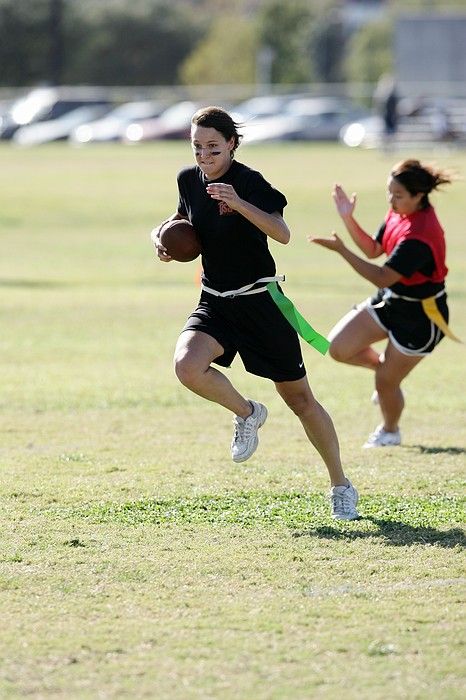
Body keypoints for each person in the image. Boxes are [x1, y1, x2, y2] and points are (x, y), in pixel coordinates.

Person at [151, 105, 359, 520]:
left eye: (213, 147)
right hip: (215, 300)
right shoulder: (188, 180)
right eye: (198, 147)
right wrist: (160, 240)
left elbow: (282, 234)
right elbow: (179, 222)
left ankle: (341, 484)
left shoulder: (250, 182)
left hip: (261, 302)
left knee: (300, 400)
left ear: (231, 144)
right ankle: (247, 413)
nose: (205, 156)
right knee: (187, 366)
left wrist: (239, 202)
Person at [309, 159, 456, 448]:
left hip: (421, 316)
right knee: (338, 348)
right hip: (391, 302)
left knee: (386, 384)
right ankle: (386, 372)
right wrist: (347, 217)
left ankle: (390, 431)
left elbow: (381, 277)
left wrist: (341, 251)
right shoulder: (400, 212)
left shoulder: (420, 235)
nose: (391, 200)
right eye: (390, 192)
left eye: (398, 195)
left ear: (419, 196)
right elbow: (374, 249)